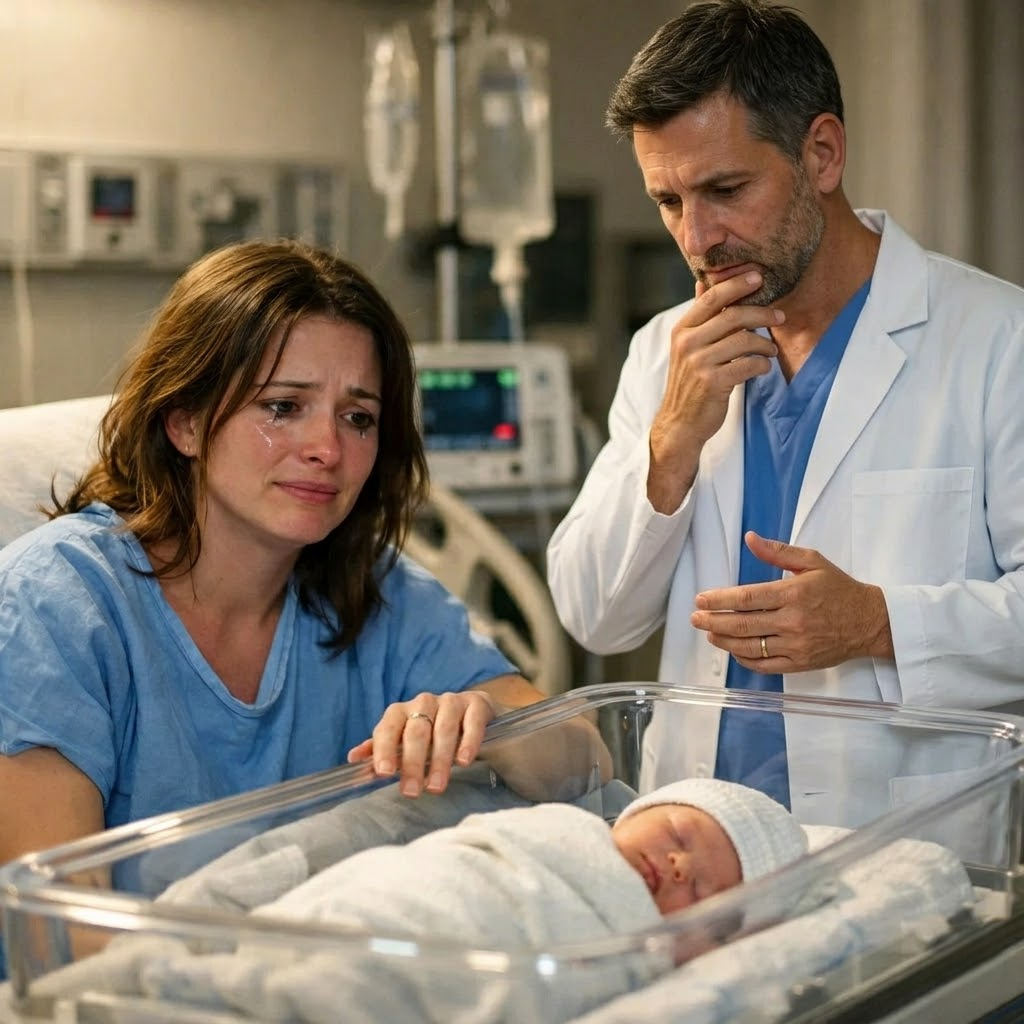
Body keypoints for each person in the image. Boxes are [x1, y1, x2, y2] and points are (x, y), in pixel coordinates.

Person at [546, 0, 1024, 819]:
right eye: (668, 201)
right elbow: (597, 615)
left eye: (725, 189)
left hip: (898, 842)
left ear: (823, 153)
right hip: (692, 833)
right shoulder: (666, 350)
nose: (697, 238)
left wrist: (879, 622)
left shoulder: (996, 339)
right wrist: (671, 443)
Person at [0, 239, 549, 877]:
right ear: (186, 423)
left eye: (358, 417)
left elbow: (581, 754)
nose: (328, 447)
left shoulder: (373, 592)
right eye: (282, 407)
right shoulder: (56, 605)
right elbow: (60, 928)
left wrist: (493, 723)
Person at [25, 778, 808, 1023]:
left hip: (450, 959)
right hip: (399, 901)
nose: (675, 864)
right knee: (308, 940)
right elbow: (439, 869)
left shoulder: (648, 945)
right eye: (677, 830)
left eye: (704, 887)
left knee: (332, 990)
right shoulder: (554, 833)